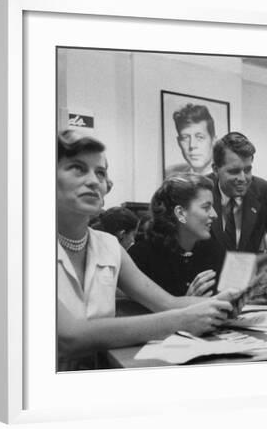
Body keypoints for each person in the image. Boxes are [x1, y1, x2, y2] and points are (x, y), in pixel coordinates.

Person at [56, 129, 238, 371]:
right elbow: (69, 336)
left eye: (100, 172)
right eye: (78, 168)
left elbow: (167, 303)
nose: (93, 180)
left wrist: (222, 303)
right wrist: (182, 321)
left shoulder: (109, 246)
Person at [129, 173, 224, 297]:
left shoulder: (215, 252)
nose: (214, 214)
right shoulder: (141, 257)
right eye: (206, 207)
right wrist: (186, 304)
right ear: (180, 213)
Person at [208, 132, 267, 254]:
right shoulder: (200, 191)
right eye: (234, 171)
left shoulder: (266, 192)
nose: (242, 178)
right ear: (216, 169)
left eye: (247, 170)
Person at [165, 104, 216, 177]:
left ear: (214, 141)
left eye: (200, 137)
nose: (192, 145)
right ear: (179, 143)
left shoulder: (230, 179)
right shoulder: (171, 175)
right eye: (185, 138)